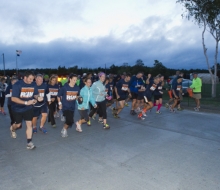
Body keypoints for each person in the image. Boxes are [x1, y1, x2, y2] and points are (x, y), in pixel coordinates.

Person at [10, 71, 43, 150]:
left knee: (29, 124)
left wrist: (38, 97)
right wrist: (26, 102)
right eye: (30, 79)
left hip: (28, 108)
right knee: (18, 125)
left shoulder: (33, 84)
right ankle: (12, 128)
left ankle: (29, 143)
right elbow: (13, 98)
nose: (32, 81)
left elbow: (35, 94)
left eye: (33, 79)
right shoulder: (17, 85)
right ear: (25, 77)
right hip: (17, 108)